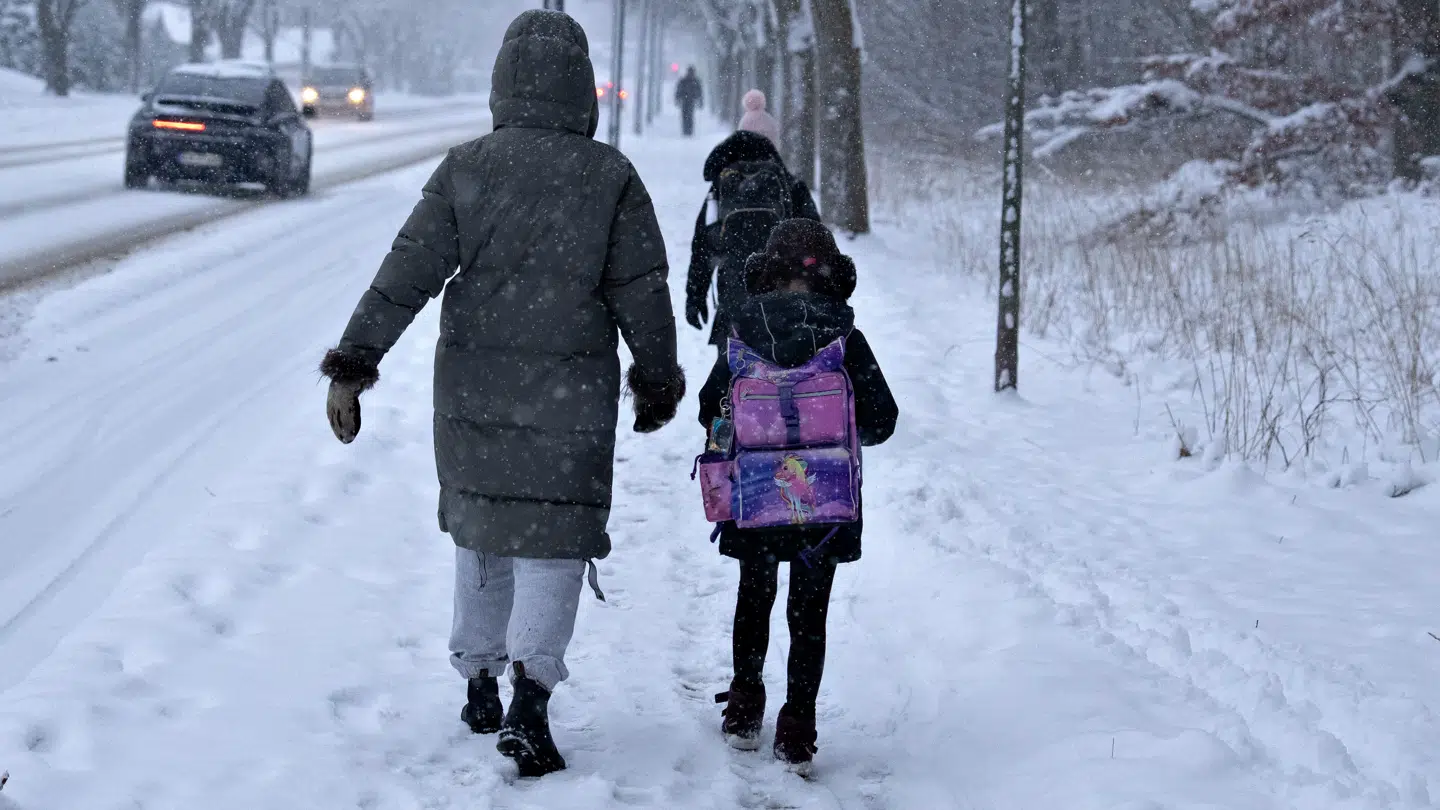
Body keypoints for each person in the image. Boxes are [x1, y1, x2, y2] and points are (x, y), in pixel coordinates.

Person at [318, 10, 684, 779]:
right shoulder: (609, 176)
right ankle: (531, 699)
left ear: (503, 83)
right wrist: (655, 377)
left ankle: (478, 680)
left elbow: (405, 273)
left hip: (475, 389)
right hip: (570, 394)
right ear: (582, 86)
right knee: (554, 540)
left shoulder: (468, 168)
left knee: (483, 529)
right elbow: (642, 290)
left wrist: (355, 362)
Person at [697, 219, 899, 774]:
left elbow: (711, 407)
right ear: (830, 274)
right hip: (824, 501)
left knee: (754, 595)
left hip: (758, 493)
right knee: (810, 612)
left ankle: (744, 709)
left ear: (768, 271)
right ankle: (797, 729)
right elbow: (882, 420)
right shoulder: (845, 336)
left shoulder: (743, 331)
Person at [685, 111, 820, 354]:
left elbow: (703, 244)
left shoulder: (722, 185)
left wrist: (695, 297)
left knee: (732, 370)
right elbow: (816, 242)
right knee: (780, 371)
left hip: (733, 300)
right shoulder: (789, 185)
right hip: (783, 299)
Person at [675, 65, 703, 136]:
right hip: (686, 100)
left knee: (689, 115)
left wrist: (700, 100)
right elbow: (679, 90)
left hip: (690, 100)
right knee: (686, 115)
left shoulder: (694, 81)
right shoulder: (685, 81)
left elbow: (699, 92)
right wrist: (677, 98)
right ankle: (686, 130)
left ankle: (688, 130)